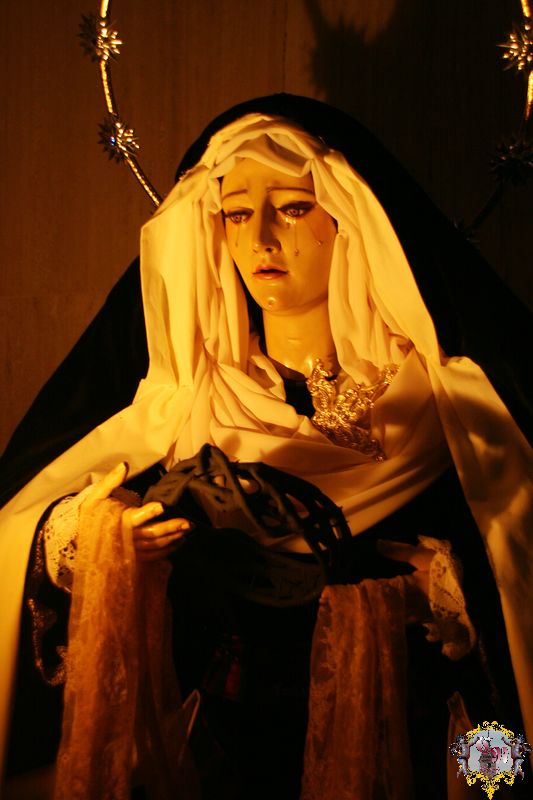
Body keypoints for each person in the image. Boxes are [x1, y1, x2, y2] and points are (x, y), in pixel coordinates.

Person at [1, 94, 532, 799]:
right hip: (222, 745)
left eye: (291, 207)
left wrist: (449, 592)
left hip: (410, 740)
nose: (259, 238)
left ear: (349, 219)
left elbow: (515, 572)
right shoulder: (174, 405)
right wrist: (102, 536)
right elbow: (25, 521)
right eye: (235, 213)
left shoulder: (448, 404)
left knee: (494, 778)